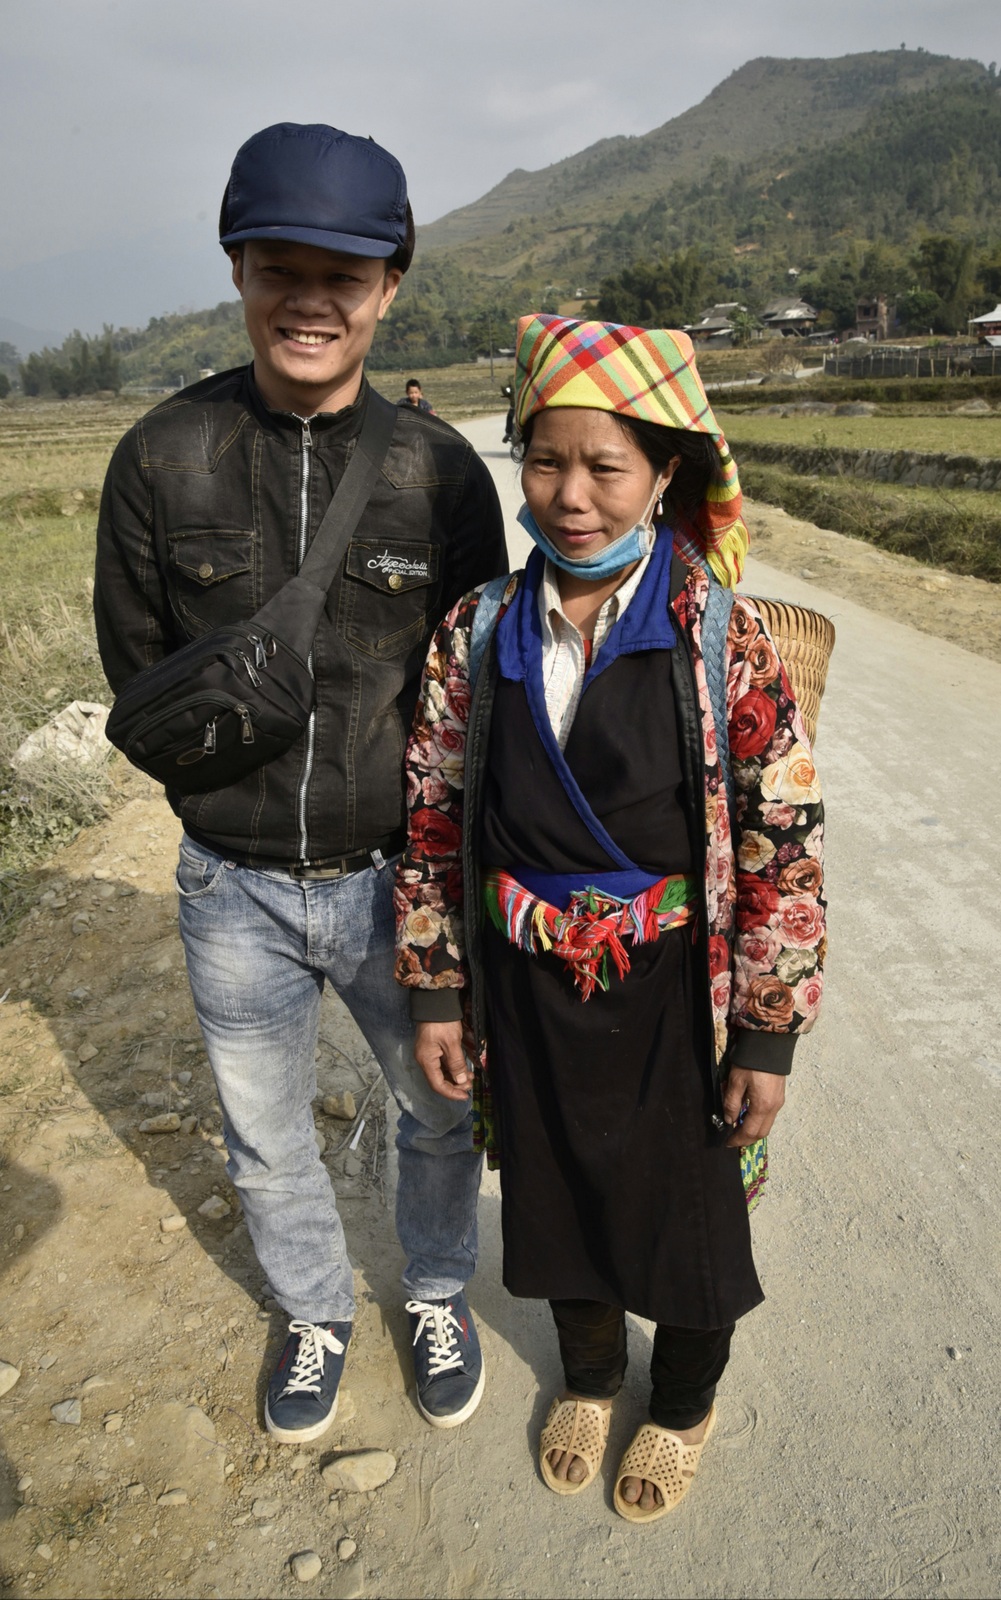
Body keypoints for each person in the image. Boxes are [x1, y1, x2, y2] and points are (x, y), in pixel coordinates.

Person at [94, 122, 507, 1445]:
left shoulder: (439, 475)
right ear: (237, 268)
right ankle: (315, 1309)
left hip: (398, 883)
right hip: (232, 886)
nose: (310, 299)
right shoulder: (162, 456)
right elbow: (140, 675)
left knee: (439, 1111)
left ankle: (434, 1289)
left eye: (344, 273)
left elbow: (473, 689)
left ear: (389, 285)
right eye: (282, 266)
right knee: (265, 1132)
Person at [395, 313, 826, 1519]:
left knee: (688, 1217)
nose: (570, 496)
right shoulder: (476, 632)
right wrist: (437, 989)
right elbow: (431, 818)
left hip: (677, 1002)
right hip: (526, 995)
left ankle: (679, 1403)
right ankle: (588, 1376)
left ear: (665, 474)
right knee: (552, 1196)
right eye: (544, 461)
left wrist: (765, 1035)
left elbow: (782, 849)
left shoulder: (723, 639)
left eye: (605, 466)